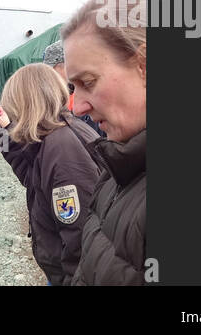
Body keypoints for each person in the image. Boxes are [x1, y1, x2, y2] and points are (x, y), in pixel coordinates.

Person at [60, 0, 147, 285]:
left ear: (144, 65)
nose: (77, 107)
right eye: (74, 87)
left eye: (88, 81)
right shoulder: (117, 168)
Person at [0, 63, 101, 286]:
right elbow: (32, 179)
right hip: (63, 272)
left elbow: (80, 238)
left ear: (25, 103)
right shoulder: (53, 136)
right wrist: (3, 134)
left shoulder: (62, 149)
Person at [43, 40, 105, 138]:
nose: (50, 76)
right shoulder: (62, 94)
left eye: (53, 70)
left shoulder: (95, 92)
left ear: (67, 64)